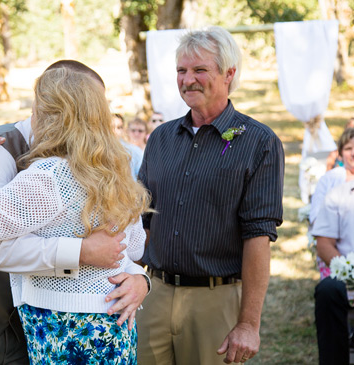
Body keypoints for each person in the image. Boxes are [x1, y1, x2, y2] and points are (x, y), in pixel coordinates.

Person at [0, 59, 135, 364]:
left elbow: (129, 242)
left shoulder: (76, 167)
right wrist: (82, 252)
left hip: (55, 321)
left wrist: (139, 278)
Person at [136, 27, 284, 365]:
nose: (188, 80)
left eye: (199, 70)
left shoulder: (259, 143)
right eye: (181, 71)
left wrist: (248, 324)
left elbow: (258, 237)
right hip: (153, 295)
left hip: (215, 301)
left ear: (229, 74)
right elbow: (143, 221)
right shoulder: (160, 139)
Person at [311, 127, 354, 364]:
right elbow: (324, 244)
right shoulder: (336, 194)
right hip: (347, 274)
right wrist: (349, 272)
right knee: (327, 290)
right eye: (349, 148)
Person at [112, 113, 144, 178]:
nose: (115, 131)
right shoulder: (98, 151)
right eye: (112, 127)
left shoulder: (134, 151)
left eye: (119, 127)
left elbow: (142, 176)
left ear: (123, 129)